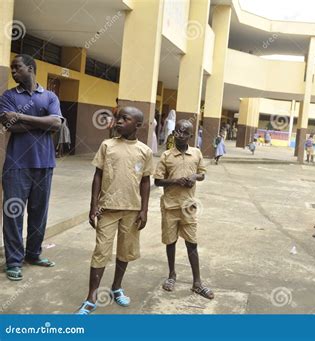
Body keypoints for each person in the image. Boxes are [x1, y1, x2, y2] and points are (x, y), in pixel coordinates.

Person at [76, 107, 153, 314]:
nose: (118, 122)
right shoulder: (107, 145)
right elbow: (98, 176)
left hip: (132, 209)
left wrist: (144, 209)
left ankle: (117, 286)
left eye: (124, 119)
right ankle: (91, 295)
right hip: (107, 209)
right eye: (117, 118)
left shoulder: (145, 151)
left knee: (125, 251)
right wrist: (93, 205)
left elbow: (145, 181)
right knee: (101, 250)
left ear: (137, 125)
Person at [0, 54, 63, 281]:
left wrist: (20, 117)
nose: (14, 72)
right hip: (16, 165)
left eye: (17, 68)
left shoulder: (49, 95)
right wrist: (42, 123)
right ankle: (14, 261)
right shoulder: (8, 96)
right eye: (11, 69)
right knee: (13, 213)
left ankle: (33, 254)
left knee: (39, 212)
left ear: (30, 68)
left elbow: (56, 123)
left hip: (44, 164)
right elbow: (9, 126)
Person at [154, 119, 214, 299]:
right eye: (177, 131)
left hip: (188, 206)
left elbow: (202, 174)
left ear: (190, 135)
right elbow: (157, 181)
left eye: (184, 132)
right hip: (170, 206)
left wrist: (193, 177)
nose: (179, 134)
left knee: (192, 243)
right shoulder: (166, 156)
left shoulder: (196, 153)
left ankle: (197, 282)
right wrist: (175, 181)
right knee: (170, 242)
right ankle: (172, 275)